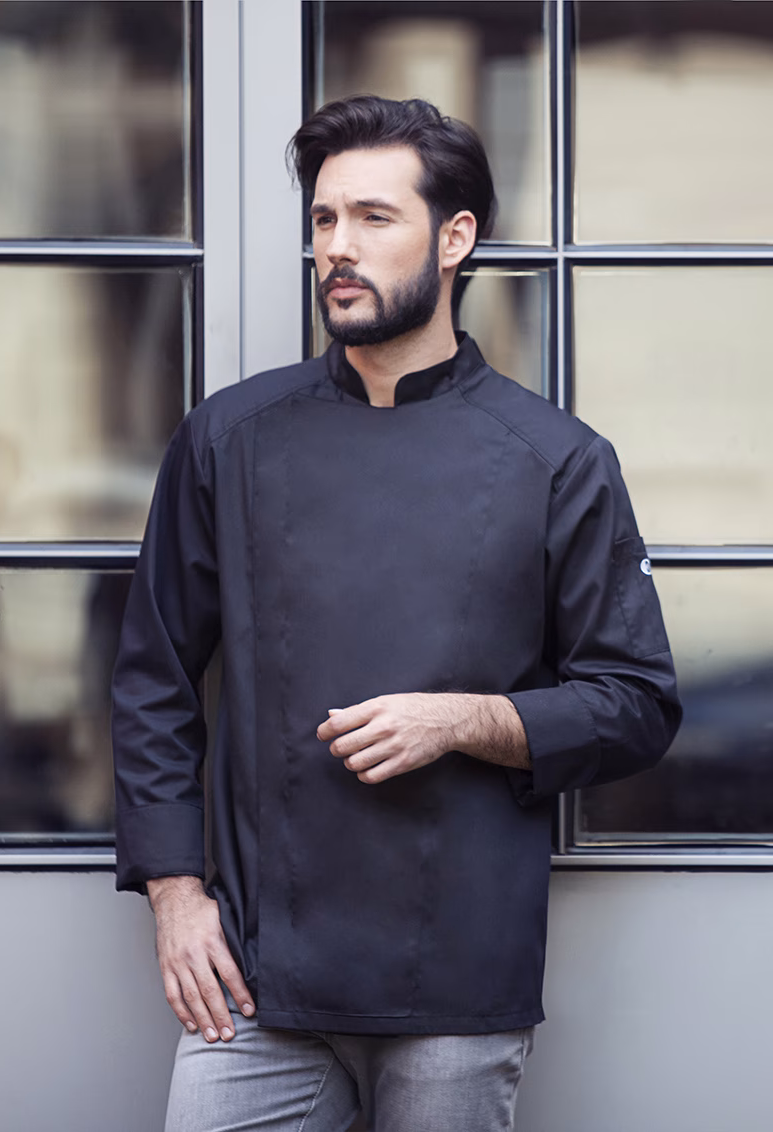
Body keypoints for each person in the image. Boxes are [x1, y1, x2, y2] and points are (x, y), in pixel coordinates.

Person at [112, 96, 681, 1132]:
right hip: (253, 974)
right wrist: (175, 893)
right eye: (325, 219)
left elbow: (636, 703)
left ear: (454, 238)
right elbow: (153, 679)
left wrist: (466, 719)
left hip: (454, 980)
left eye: (374, 218)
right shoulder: (227, 439)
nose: (338, 246)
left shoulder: (555, 459)